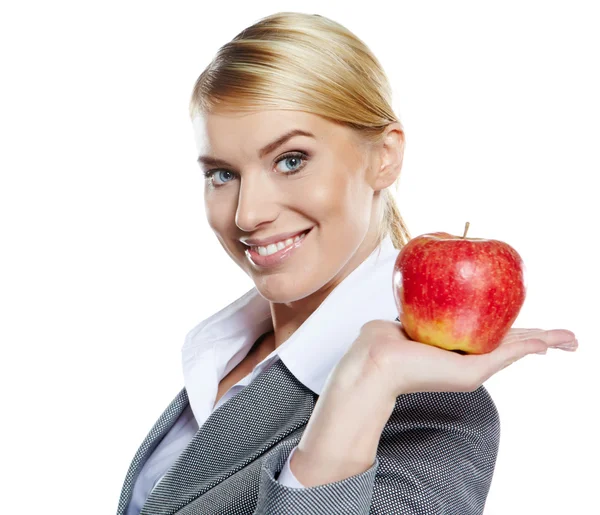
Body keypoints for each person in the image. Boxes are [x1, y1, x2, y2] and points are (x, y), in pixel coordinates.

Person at [116, 12, 578, 515]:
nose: (248, 213)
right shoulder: (222, 354)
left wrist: (364, 384)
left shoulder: (436, 410)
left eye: (291, 160)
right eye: (223, 174)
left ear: (384, 157)